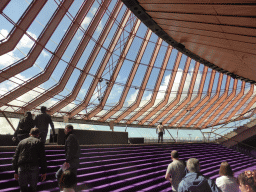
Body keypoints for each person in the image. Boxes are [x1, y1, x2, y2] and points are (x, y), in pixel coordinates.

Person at [12, 128, 47, 192]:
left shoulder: (21, 142)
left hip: (22, 167)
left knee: (23, 189)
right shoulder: (39, 142)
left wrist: (15, 171)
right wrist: (44, 171)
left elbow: (15, 157)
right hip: (34, 167)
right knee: (33, 189)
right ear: (38, 134)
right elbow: (43, 158)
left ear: (30, 134)